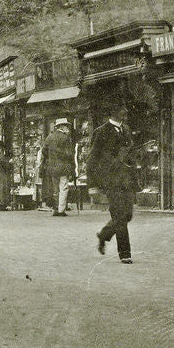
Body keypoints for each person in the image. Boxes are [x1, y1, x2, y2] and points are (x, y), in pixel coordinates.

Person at [85, 108, 138, 264]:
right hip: (111, 181)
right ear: (112, 113)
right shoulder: (100, 132)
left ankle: (103, 235)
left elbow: (130, 154)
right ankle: (125, 253)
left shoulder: (126, 129)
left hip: (127, 180)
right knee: (120, 216)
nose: (125, 111)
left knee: (127, 215)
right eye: (120, 109)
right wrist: (93, 185)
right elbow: (91, 159)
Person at [41, 118, 76, 216]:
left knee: (55, 189)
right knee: (63, 188)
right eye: (66, 126)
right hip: (63, 166)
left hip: (52, 167)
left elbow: (44, 151)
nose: (68, 128)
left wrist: (51, 158)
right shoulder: (66, 138)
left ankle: (55, 208)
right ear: (63, 127)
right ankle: (61, 209)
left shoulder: (49, 137)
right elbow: (70, 154)